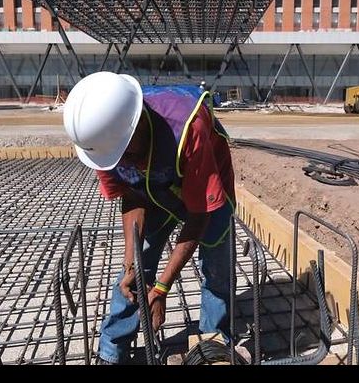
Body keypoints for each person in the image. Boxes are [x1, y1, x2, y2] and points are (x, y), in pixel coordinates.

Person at [62, 72, 236, 365]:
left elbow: (199, 214)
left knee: (217, 268)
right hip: (154, 190)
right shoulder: (104, 144)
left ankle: (213, 345)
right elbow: (131, 196)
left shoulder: (188, 127)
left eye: (126, 151)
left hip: (206, 182)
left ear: (140, 121)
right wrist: (131, 264)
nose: (122, 161)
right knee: (132, 271)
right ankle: (111, 353)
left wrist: (163, 288)